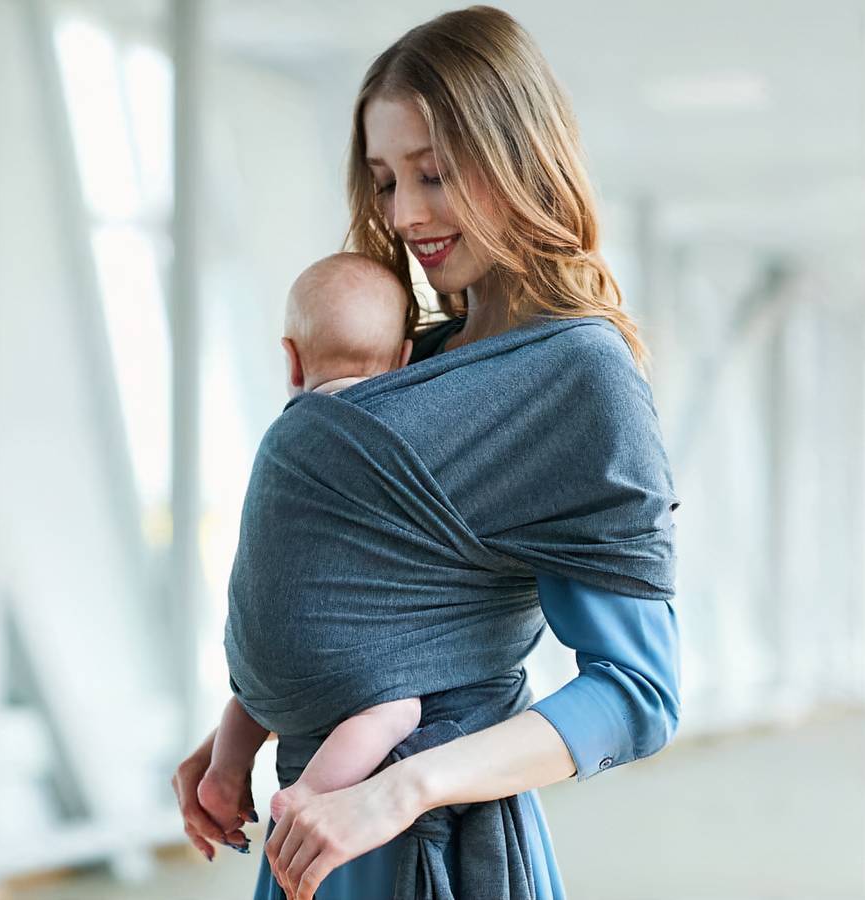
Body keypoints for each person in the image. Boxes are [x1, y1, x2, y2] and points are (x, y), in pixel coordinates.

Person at [171, 7, 682, 900]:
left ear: (518, 159)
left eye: (434, 175)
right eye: (383, 181)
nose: (405, 215)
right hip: (319, 830)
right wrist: (239, 734)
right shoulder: (409, 356)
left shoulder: (580, 377)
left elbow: (638, 695)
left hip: (430, 840)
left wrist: (402, 791)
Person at [202, 251, 424, 835]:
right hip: (339, 663)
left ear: (293, 360)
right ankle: (306, 795)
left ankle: (224, 771)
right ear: (404, 360)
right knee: (398, 708)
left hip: (253, 659)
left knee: (255, 695)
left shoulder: (282, 438)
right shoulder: (399, 438)